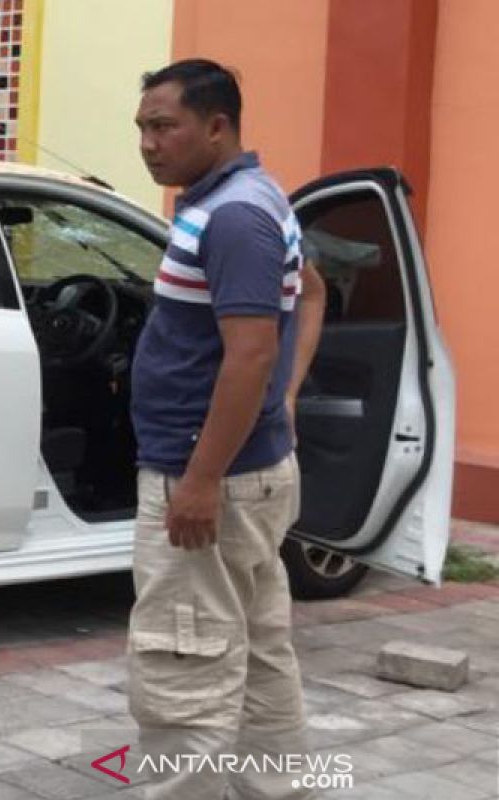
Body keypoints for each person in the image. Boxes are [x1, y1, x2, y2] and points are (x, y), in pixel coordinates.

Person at [127, 58, 325, 799]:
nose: (148, 143)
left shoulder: (236, 214)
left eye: (163, 126)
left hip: (209, 478)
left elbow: (250, 351)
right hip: (247, 470)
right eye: (142, 127)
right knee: (260, 653)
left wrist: (202, 479)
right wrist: (284, 401)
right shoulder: (248, 199)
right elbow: (311, 295)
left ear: (217, 126)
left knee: (183, 668)